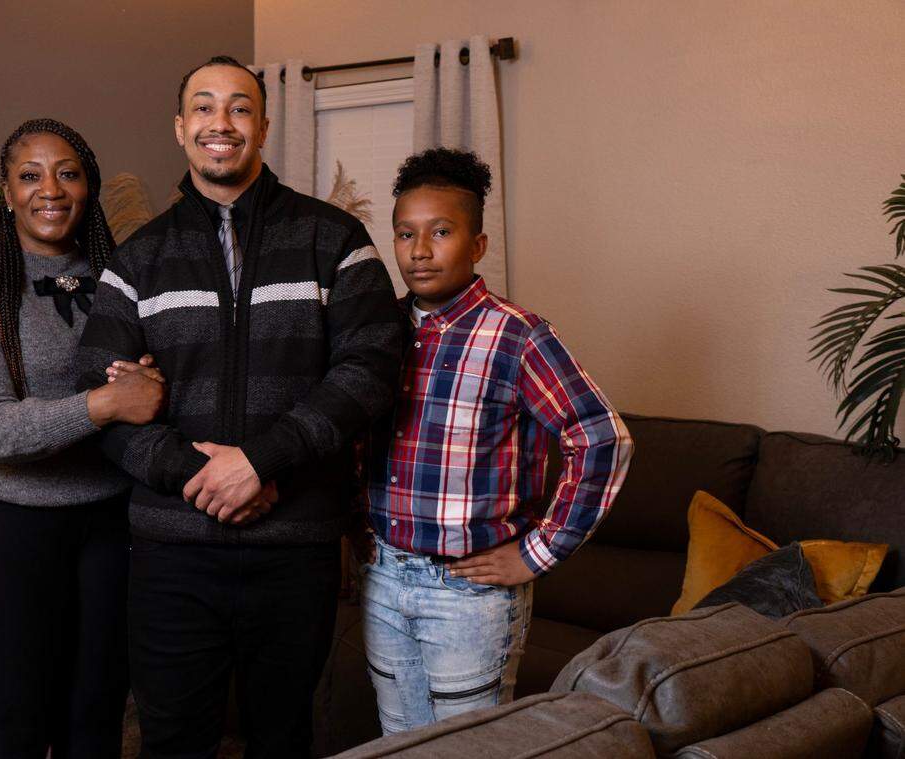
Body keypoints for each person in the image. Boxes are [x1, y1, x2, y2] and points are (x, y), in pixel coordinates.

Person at [75, 56, 404, 757]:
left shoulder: (335, 240)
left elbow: (372, 369)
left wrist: (263, 459)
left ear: (262, 124)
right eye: (203, 107)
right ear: (179, 127)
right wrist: (204, 474)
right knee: (173, 741)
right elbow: (102, 401)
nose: (220, 123)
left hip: (296, 550)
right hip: (171, 556)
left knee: (283, 737)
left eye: (239, 107)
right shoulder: (136, 260)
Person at [358, 148, 633, 733]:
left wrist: (537, 553)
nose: (420, 250)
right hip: (383, 575)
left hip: (467, 596)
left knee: (469, 747)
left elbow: (602, 438)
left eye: (441, 232)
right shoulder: (377, 330)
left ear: (478, 245)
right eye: (405, 234)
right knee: (398, 742)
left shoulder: (516, 334)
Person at [0, 118, 165, 758]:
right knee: (14, 730)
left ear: (86, 187)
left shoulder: (128, 282)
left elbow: (162, 388)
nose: (49, 189)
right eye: (29, 176)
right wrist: (105, 403)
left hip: (110, 524)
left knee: (96, 723)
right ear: (6, 194)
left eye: (67, 173)